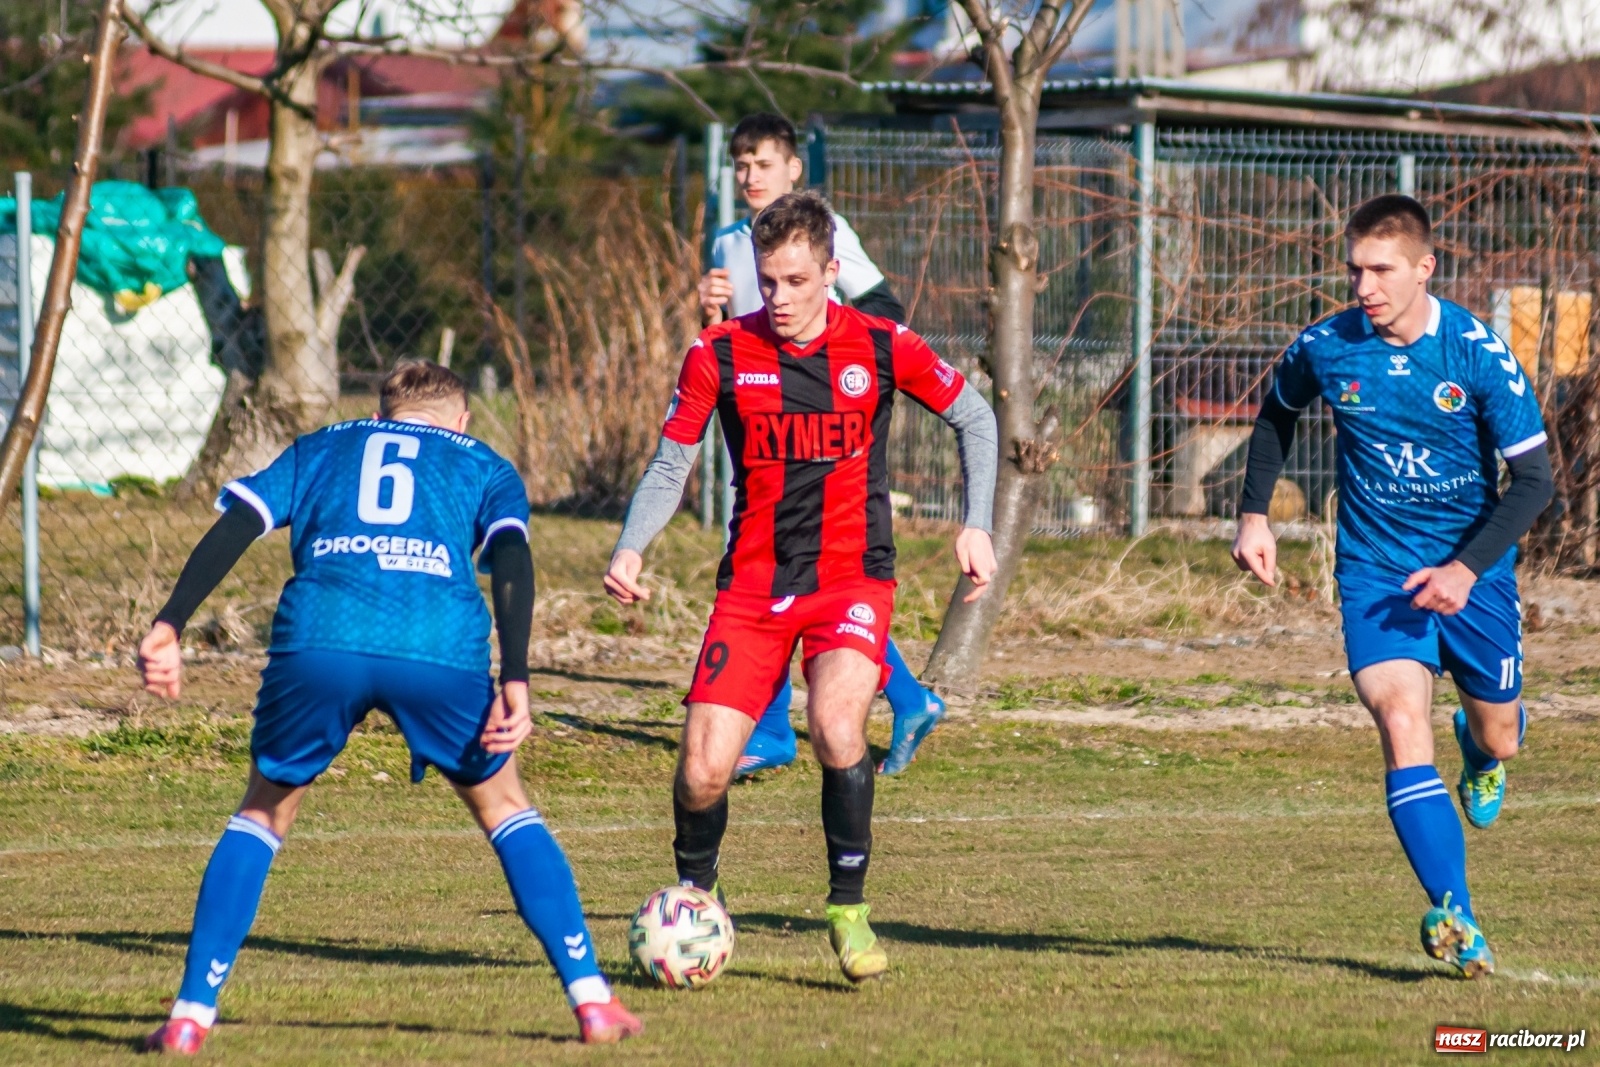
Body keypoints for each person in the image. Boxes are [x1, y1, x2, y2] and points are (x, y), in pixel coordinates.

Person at [137, 363, 642, 1054]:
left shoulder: (322, 446)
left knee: (263, 811)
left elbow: (240, 521)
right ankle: (592, 1000)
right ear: (461, 420)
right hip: (436, 644)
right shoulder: (483, 463)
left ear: (381, 415)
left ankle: (190, 1014)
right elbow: (512, 556)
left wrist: (170, 622)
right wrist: (518, 675)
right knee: (504, 805)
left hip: (322, 636)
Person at [606, 191, 998, 982]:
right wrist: (630, 547)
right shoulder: (718, 352)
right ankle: (698, 901)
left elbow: (975, 416)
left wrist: (976, 521)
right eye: (767, 281)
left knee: (835, 725)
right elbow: (673, 460)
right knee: (702, 769)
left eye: (794, 280)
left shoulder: (882, 344)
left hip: (852, 577)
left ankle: (848, 909)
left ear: (830, 270)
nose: (778, 298)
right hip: (752, 586)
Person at [1232, 195, 1553, 978]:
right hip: (1376, 570)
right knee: (1400, 718)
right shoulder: (1327, 346)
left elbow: (1535, 481)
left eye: (1380, 270)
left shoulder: (1476, 354)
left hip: (1474, 572)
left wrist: (1464, 569)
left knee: (1502, 735)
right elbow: (1276, 416)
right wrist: (1253, 515)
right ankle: (1458, 916)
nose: (1363, 287)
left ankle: (1479, 748)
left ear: (1424, 267)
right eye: (1354, 270)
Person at [700, 111, 945, 778]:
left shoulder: (829, 234)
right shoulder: (727, 242)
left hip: (826, 436)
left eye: (763, 163)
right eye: (741, 165)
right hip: (762, 435)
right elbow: (731, 339)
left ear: (793, 168)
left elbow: (885, 310)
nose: (750, 176)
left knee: (819, 579)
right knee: (772, 574)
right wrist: (709, 308)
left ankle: (786, 726)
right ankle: (897, 700)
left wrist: (832, 367)